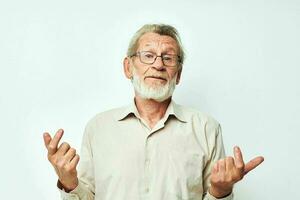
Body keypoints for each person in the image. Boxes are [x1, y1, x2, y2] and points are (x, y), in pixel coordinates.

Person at [43, 24, 264, 200]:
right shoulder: (98, 128)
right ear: (128, 67)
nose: (158, 65)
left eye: (168, 58)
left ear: (178, 74)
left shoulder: (206, 128)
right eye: (148, 55)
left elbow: (215, 195)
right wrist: (68, 183)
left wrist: (220, 192)